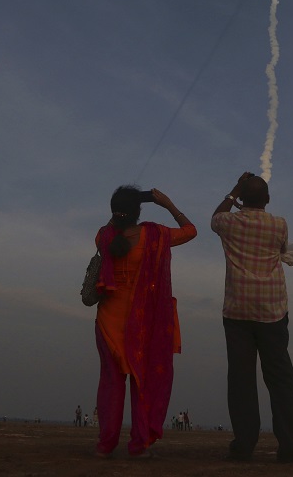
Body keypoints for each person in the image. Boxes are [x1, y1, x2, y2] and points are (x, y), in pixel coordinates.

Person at [93, 185, 196, 459]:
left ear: (113, 212)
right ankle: (139, 444)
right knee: (142, 382)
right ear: (138, 211)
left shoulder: (104, 236)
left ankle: (105, 446)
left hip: (108, 320)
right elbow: (191, 231)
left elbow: (109, 229)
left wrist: (119, 212)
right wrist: (169, 205)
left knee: (111, 384)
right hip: (142, 323)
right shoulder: (155, 235)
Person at [211, 172, 293, 464]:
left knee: (241, 381)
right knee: (281, 381)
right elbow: (281, 252)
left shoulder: (228, 223)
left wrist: (234, 190)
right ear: (267, 200)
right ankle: (288, 449)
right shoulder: (279, 224)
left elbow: (216, 216)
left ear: (241, 198)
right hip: (272, 311)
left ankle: (244, 446)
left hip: (238, 311)